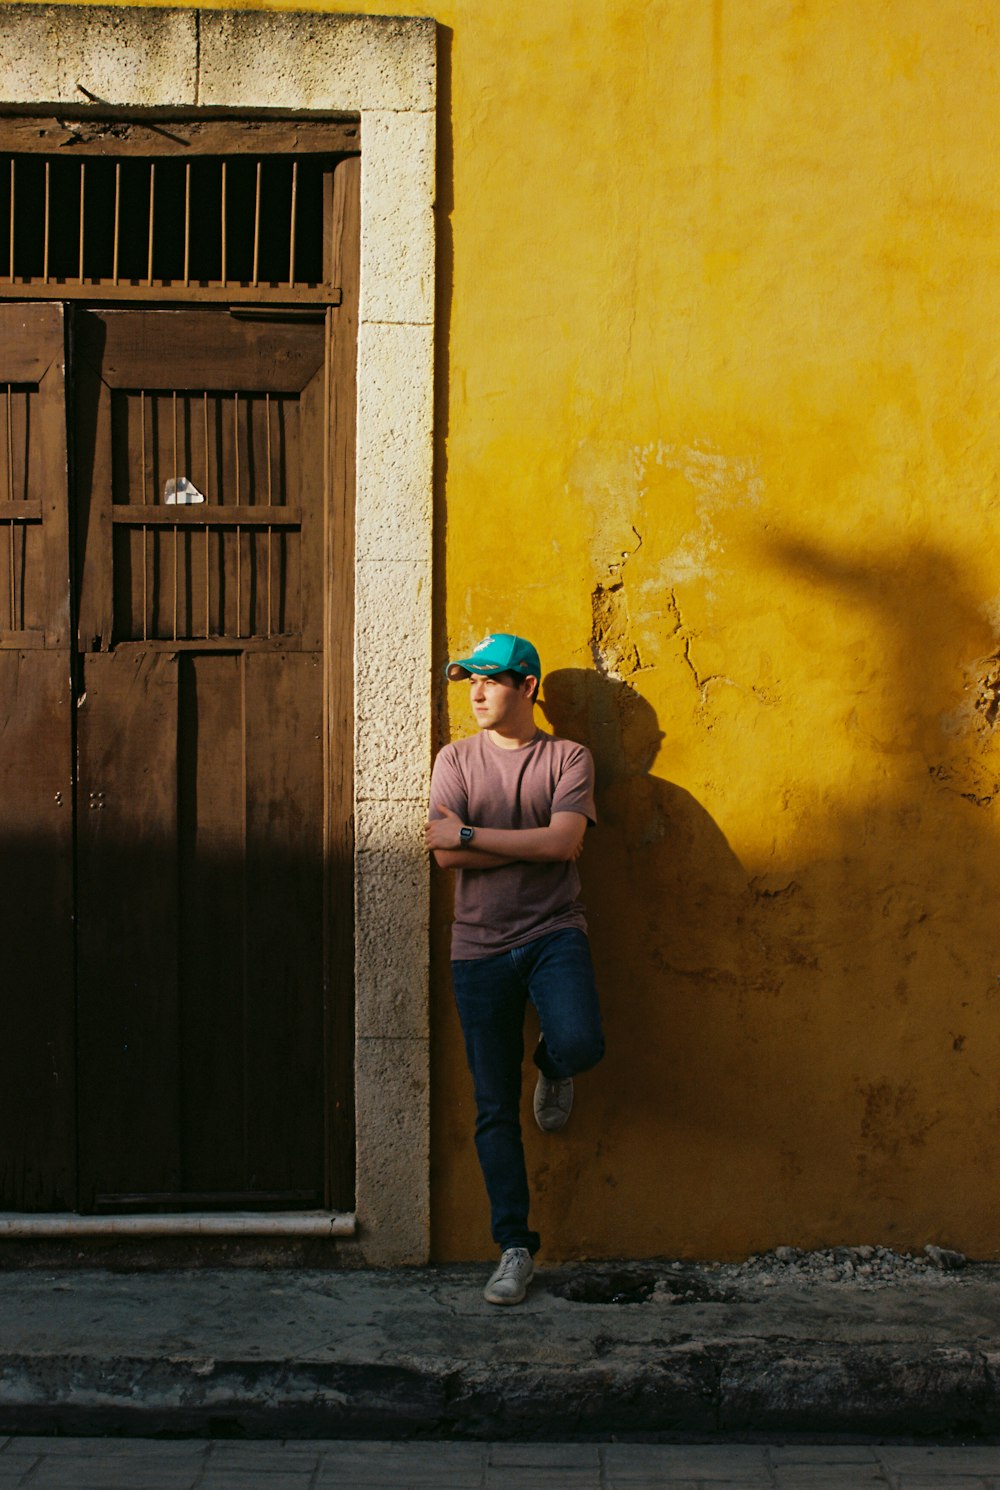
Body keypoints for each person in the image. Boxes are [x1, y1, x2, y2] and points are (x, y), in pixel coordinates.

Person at [425, 632, 605, 1305]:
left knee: (581, 1042)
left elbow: (565, 843)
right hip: (477, 948)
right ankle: (514, 1247)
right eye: (469, 680)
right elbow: (443, 858)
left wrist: (471, 835)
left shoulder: (568, 757)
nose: (475, 692)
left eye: (492, 680)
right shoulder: (455, 760)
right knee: (494, 1104)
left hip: (555, 933)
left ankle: (553, 1066)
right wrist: (530, 848)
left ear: (527, 686)